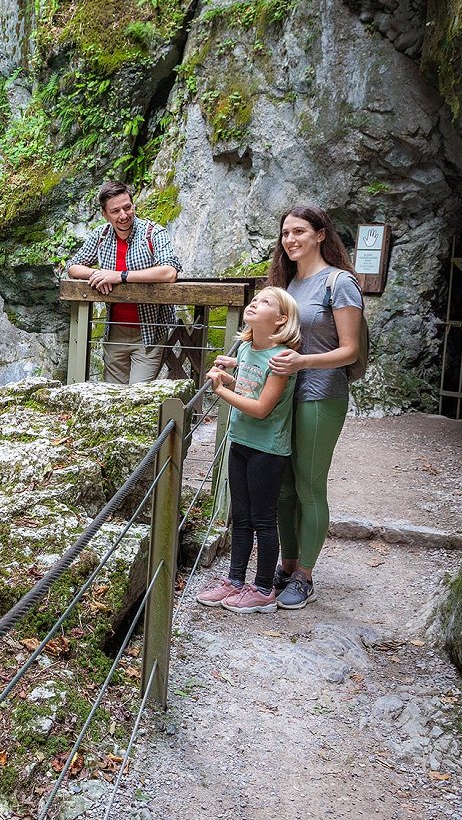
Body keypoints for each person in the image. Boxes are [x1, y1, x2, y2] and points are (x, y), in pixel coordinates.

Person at [252, 205, 364, 610]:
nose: (291, 240)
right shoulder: (286, 285)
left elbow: (349, 351)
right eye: (285, 233)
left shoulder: (340, 283)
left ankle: (305, 575)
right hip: (283, 395)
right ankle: (287, 564)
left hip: (320, 393)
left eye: (299, 231)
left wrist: (302, 362)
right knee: (281, 487)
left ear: (320, 234)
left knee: (308, 485)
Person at [194, 287, 302, 613]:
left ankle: (265, 589)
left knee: (263, 519)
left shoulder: (281, 359)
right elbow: (248, 381)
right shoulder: (245, 347)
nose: (255, 303)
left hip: (267, 449)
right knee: (240, 517)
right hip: (240, 440)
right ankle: (235, 581)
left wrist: (219, 388)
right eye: (254, 300)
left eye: (265, 302)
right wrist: (232, 371)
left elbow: (261, 408)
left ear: (281, 319)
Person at [65, 181, 183, 383]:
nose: (123, 215)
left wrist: (120, 275)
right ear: (105, 214)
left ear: (133, 205)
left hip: (150, 331)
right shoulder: (101, 235)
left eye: (127, 207)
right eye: (115, 211)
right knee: (113, 395)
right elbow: (73, 267)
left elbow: (169, 272)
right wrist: (99, 274)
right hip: (115, 331)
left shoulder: (153, 233)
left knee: (138, 396)